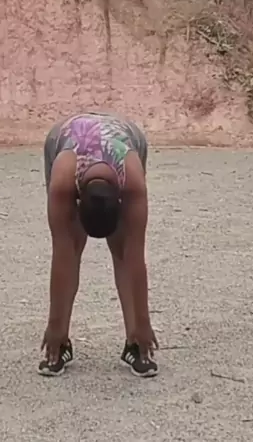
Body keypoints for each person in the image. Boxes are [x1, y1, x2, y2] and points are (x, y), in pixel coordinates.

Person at [39, 111, 158, 378]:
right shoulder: (63, 181)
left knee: (123, 248)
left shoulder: (132, 182)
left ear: (122, 201)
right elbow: (62, 255)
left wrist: (144, 323)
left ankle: (135, 342)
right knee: (70, 246)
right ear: (77, 200)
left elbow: (134, 256)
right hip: (65, 137)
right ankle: (59, 343)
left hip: (126, 135)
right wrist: (54, 326)